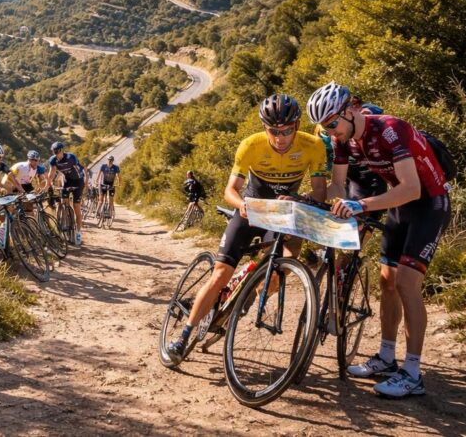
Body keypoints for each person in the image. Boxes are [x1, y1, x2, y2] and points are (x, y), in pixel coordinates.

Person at [309, 81, 451, 398]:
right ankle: (387, 357)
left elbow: (412, 188)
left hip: (429, 203)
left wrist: (360, 205)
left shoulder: (391, 129)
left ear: (350, 111)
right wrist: (312, 199)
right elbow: (338, 187)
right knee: (387, 281)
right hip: (399, 207)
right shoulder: (345, 141)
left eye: (333, 123)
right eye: (325, 128)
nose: (331, 133)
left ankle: (412, 372)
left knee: (407, 284)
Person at [166, 94, 328, 361]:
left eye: (287, 130)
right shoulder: (250, 145)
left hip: (280, 215)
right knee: (219, 275)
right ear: (265, 127)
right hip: (250, 211)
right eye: (273, 131)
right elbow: (230, 189)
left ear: (297, 125)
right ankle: (183, 335)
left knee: (279, 268)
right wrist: (241, 205)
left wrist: (298, 199)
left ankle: (248, 292)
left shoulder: (313, 146)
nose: (280, 137)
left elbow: (320, 192)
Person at [46, 141, 86, 245]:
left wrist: (84, 183)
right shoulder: (53, 160)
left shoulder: (71, 157)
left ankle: (78, 232)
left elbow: (80, 171)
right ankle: (67, 222)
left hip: (78, 181)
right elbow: (51, 174)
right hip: (67, 182)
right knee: (64, 203)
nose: (56, 153)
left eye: (58, 151)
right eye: (54, 152)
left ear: (62, 150)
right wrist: (47, 186)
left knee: (77, 207)